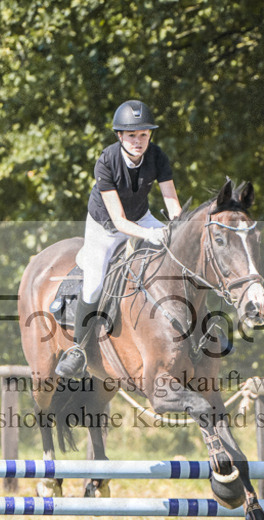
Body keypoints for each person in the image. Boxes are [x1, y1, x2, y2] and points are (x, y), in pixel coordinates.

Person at [55, 100, 183, 378]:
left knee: (179, 253)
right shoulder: (107, 161)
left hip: (141, 217)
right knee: (93, 285)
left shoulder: (157, 156)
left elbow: (172, 204)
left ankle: (199, 328)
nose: (138, 141)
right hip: (106, 227)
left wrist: (177, 229)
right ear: (119, 136)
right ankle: (78, 348)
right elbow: (119, 221)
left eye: (144, 134)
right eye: (132, 135)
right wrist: (151, 234)